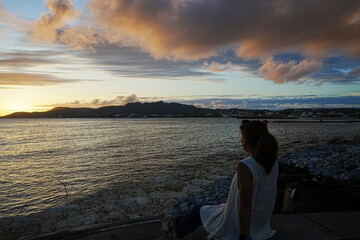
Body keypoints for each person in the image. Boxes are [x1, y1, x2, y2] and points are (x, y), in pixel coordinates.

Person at [160, 120, 279, 240]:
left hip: (241, 225)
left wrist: (244, 235)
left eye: (241, 137)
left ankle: (175, 233)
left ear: (246, 141)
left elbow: (245, 205)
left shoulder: (245, 166)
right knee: (211, 210)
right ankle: (173, 221)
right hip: (260, 223)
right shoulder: (273, 162)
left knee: (198, 211)